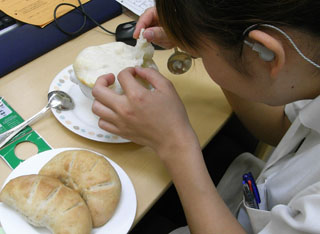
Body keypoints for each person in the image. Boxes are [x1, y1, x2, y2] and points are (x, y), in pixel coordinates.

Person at [91, 0, 320, 233]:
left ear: (265, 52)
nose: (194, 55)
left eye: (197, 54)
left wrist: (174, 143)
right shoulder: (308, 74)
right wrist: (198, 36)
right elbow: (282, 129)